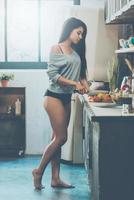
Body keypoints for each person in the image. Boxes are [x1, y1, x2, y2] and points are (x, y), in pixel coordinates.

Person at [32, 17, 89, 190]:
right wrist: (74, 84)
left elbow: (79, 73)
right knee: (62, 137)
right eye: (78, 32)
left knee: (56, 138)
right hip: (53, 97)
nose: (80, 37)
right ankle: (38, 171)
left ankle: (55, 179)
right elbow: (53, 75)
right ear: (69, 30)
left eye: (83, 34)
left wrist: (84, 82)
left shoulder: (76, 51)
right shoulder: (56, 48)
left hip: (66, 97)